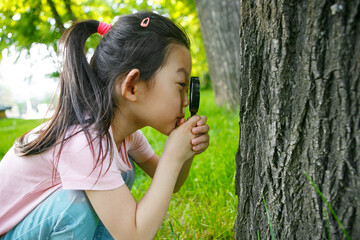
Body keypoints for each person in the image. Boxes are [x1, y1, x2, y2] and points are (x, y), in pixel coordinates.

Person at [0, 11, 210, 239]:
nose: (187, 100)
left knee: (123, 172)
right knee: (74, 206)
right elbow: (134, 235)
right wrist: (172, 156)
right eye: (181, 85)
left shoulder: (126, 136)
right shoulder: (84, 141)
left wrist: (185, 151)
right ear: (132, 87)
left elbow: (173, 182)